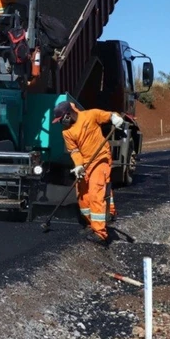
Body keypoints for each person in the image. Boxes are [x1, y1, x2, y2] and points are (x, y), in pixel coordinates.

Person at [52, 101, 127, 245]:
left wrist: (115, 118)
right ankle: (92, 222)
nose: (61, 122)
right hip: (85, 163)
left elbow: (109, 116)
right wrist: (79, 165)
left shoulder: (90, 115)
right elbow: (74, 151)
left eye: (61, 119)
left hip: (101, 158)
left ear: (68, 114)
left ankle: (100, 232)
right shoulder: (66, 132)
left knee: (95, 191)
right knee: (82, 195)